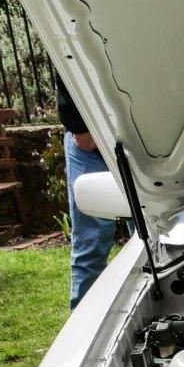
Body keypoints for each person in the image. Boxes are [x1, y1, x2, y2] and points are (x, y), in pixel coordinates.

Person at [57, 76, 116, 309]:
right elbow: (65, 68)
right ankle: (84, 325)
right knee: (91, 242)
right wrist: (81, 128)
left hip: (139, 136)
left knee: (150, 240)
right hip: (88, 142)